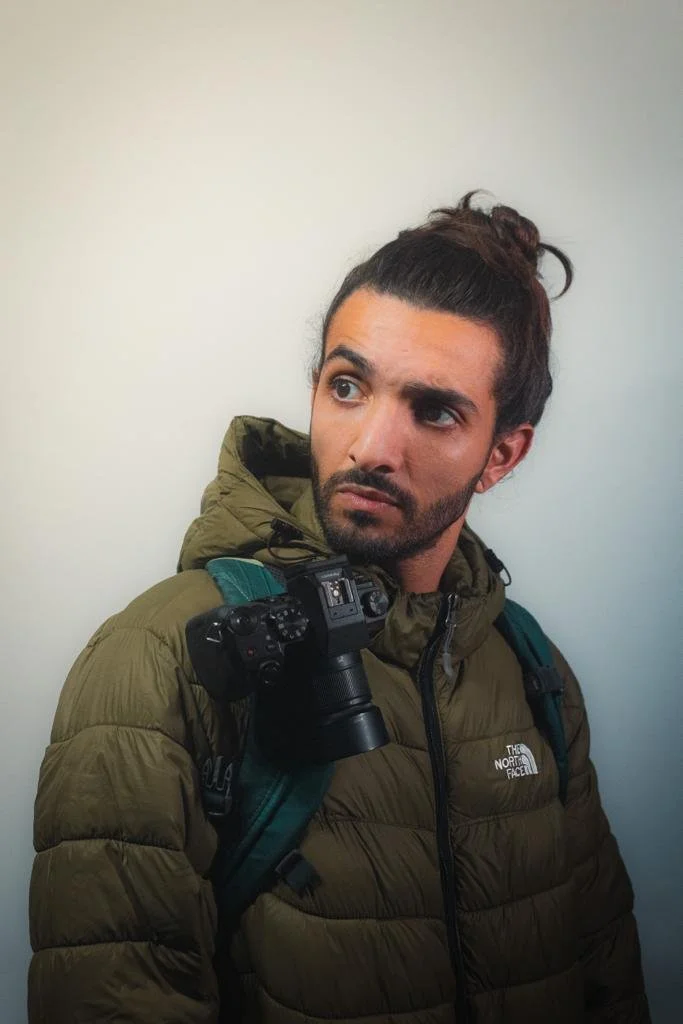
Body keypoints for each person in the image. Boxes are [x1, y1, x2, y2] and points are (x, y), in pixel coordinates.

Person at [28, 192, 650, 1023]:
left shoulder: (529, 667)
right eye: (347, 386)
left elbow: (606, 975)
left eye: (434, 410)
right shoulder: (161, 655)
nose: (369, 446)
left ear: (502, 453)